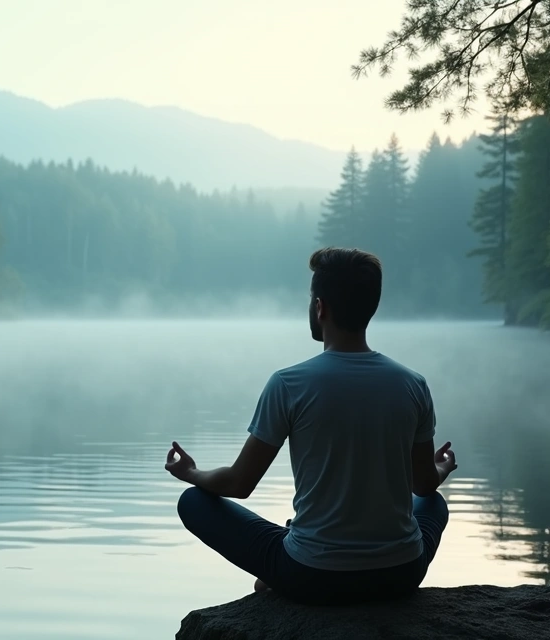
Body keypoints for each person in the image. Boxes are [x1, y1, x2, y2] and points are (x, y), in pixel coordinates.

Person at [165, 247, 457, 605]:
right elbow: (424, 485)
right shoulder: (413, 384)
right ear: (371, 308)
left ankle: (280, 571)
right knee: (434, 505)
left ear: (320, 307)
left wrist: (192, 472)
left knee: (193, 502)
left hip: (312, 575)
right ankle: (292, 556)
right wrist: (441, 467)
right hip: (399, 574)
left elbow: (239, 485)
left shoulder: (289, 384)